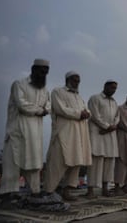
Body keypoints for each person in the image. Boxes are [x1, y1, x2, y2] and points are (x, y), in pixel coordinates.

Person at [0, 59, 50, 204]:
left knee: (34, 162)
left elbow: (49, 106)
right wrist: (40, 110)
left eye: (46, 72)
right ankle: (8, 192)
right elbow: (22, 105)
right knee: (12, 162)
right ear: (33, 69)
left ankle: (35, 191)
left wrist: (44, 110)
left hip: (35, 133)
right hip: (17, 131)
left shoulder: (45, 90)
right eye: (41, 71)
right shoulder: (19, 84)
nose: (43, 74)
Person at [44, 71, 92, 201]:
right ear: (67, 80)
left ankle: (67, 191)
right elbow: (61, 109)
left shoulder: (79, 97)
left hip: (79, 134)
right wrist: (79, 114)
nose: (77, 83)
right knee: (58, 161)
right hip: (63, 132)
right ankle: (49, 191)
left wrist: (87, 113)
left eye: (78, 80)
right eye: (74, 80)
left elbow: (87, 110)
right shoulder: (57, 92)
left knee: (76, 162)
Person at [86, 80, 120, 197]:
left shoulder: (114, 102)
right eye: (112, 87)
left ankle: (105, 189)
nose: (113, 90)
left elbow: (117, 117)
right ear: (105, 86)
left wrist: (113, 126)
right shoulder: (95, 98)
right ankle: (90, 190)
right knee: (96, 161)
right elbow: (95, 115)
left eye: (115, 88)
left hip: (110, 135)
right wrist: (106, 126)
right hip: (98, 134)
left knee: (109, 162)